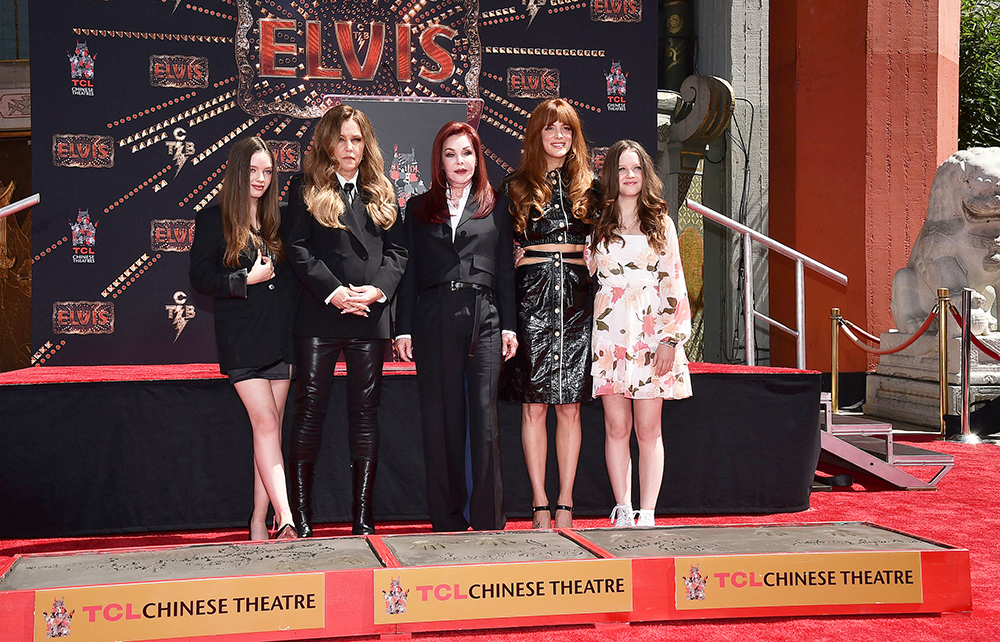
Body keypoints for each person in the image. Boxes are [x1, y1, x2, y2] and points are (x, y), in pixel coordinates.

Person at [281, 105, 407, 537]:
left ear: (366, 143)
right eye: (341, 139)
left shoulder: (382, 190)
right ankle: (299, 519)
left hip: (369, 317)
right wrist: (334, 293)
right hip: (320, 314)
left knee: (365, 415)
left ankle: (363, 521)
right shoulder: (305, 187)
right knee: (310, 411)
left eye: (356, 139)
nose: (349, 148)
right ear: (326, 143)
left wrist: (377, 291)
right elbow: (296, 248)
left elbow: (398, 253)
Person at [394, 121, 517, 532]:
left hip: (484, 314)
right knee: (440, 417)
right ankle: (446, 519)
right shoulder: (417, 207)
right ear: (439, 162)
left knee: (484, 418)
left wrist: (509, 328)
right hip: (433, 315)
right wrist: (403, 329)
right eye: (450, 154)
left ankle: (487, 519)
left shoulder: (496, 204)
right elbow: (407, 272)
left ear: (477, 158)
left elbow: (503, 270)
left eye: (466, 153)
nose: (459, 161)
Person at [189, 136, 298, 540]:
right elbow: (200, 277)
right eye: (253, 170)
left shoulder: (279, 220)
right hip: (241, 341)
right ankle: (286, 518)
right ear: (237, 171)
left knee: (267, 431)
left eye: (268, 171)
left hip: (281, 339)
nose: (261, 178)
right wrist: (243, 280)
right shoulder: (212, 219)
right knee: (266, 423)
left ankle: (257, 520)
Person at [500, 98, 599, 529]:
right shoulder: (515, 187)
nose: (559, 137)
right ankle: (539, 501)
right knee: (534, 406)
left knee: (570, 408)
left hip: (579, 299)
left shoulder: (593, 189)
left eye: (567, 130)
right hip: (531, 298)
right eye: (550, 129)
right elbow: (495, 248)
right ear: (536, 135)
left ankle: (566, 502)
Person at [586, 139, 692, 528]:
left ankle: (647, 512)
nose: (630, 176)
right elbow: (585, 270)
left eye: (637, 169)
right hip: (610, 334)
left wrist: (670, 339)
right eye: (621, 169)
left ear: (646, 175)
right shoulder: (598, 222)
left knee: (649, 429)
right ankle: (623, 509)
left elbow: (674, 284)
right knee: (616, 427)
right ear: (611, 175)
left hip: (651, 335)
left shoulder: (660, 223)